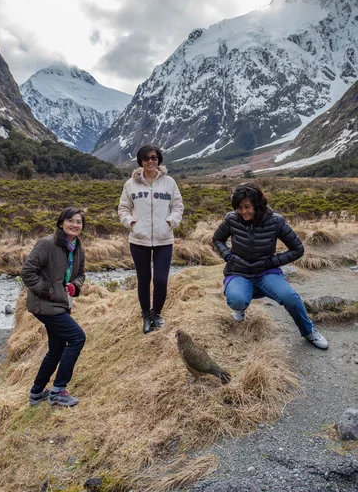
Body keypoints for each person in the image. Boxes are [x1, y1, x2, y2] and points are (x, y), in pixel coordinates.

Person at [212, 182, 329, 349]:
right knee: (237, 299)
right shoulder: (232, 219)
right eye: (239, 207)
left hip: (266, 271)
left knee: (291, 298)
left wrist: (270, 262)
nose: (243, 211)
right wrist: (228, 255)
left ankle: (309, 331)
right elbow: (217, 239)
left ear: (258, 205)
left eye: (247, 207)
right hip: (238, 271)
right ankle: (240, 308)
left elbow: (297, 249)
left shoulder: (275, 221)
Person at [21, 207, 87, 407]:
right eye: (70, 221)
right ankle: (58, 390)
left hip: (60, 303)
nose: (75, 225)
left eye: (79, 222)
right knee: (77, 337)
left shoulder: (77, 248)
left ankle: (37, 392)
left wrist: (74, 286)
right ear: (61, 223)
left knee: (56, 349)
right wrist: (48, 291)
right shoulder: (46, 244)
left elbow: (80, 274)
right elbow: (27, 272)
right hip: (44, 304)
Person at [118, 144, 184, 334]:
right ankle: (146, 316)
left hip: (164, 239)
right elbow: (123, 208)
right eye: (146, 158)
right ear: (140, 161)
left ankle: (157, 314)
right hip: (139, 240)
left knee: (161, 280)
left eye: (154, 157)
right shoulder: (131, 184)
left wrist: (170, 222)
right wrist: (132, 224)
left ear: (159, 160)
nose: (150, 161)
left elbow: (178, 206)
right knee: (144, 279)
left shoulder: (169, 182)